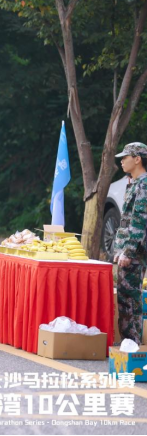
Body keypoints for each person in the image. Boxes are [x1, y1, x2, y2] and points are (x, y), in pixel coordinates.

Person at [113, 142, 147, 344]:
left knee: (130, 301)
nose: (122, 161)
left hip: (135, 252)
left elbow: (139, 221)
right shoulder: (134, 183)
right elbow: (125, 221)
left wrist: (128, 251)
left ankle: (133, 345)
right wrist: (119, 248)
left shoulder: (143, 185)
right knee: (125, 299)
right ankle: (129, 344)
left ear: (137, 159)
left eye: (125, 157)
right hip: (128, 251)